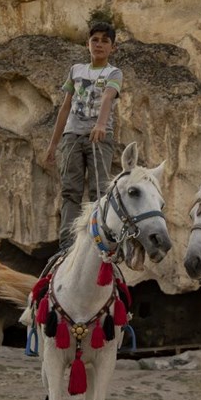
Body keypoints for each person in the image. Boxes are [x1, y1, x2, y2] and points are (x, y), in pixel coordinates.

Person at [43, 20, 123, 253]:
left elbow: (108, 97)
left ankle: (97, 242)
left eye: (105, 41)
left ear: (113, 47)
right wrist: (53, 145)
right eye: (94, 40)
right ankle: (67, 245)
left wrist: (100, 124)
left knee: (98, 190)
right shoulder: (76, 70)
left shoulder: (113, 72)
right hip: (72, 136)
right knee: (70, 191)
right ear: (87, 44)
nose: (99, 45)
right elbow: (65, 107)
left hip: (99, 137)